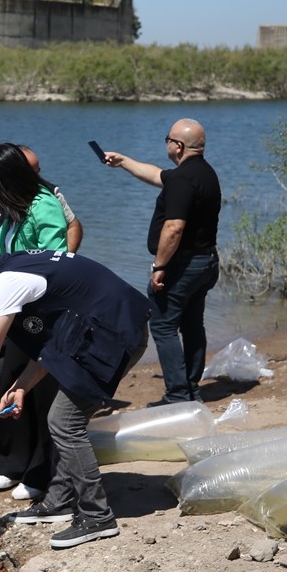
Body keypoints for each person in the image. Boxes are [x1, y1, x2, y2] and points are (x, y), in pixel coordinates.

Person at [0, 237, 151, 550]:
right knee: (61, 419)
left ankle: (97, 516)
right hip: (106, 324)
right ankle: (59, 501)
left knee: (64, 422)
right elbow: (54, 343)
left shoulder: (5, 283)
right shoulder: (15, 265)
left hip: (117, 332)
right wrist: (23, 386)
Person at [0, 143, 71, 500]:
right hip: (15, 309)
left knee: (40, 392)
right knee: (10, 379)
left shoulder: (45, 205)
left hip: (42, 309)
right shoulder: (11, 208)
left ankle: (41, 471)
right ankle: (14, 461)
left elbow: (56, 259)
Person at [104, 119, 221, 405]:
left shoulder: (183, 179)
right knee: (193, 324)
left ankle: (178, 395)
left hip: (183, 265)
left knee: (163, 325)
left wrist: (159, 266)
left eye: (167, 139)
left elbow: (174, 228)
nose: (165, 143)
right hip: (206, 262)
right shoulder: (204, 173)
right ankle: (192, 389)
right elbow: (157, 175)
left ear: (177, 146)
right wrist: (124, 161)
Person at [0, 144, 83, 252]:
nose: (34, 179)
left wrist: (68, 258)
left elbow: (56, 254)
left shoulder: (46, 202)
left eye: (36, 172)